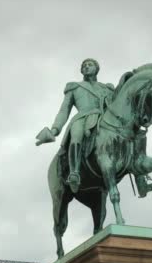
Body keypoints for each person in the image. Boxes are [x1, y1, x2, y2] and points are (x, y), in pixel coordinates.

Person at [44, 58, 114, 193]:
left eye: (90, 65)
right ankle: (74, 172)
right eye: (84, 66)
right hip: (82, 118)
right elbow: (64, 110)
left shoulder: (106, 88)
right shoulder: (75, 87)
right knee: (76, 137)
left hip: (103, 119)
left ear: (96, 68)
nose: (86, 67)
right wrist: (55, 130)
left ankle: (141, 177)